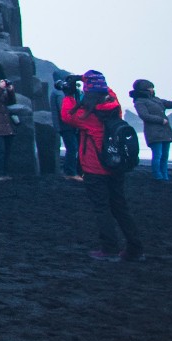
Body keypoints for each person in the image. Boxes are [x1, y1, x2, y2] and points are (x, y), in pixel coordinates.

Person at [57, 69, 143, 262]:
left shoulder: (86, 114)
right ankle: (135, 249)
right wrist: (90, 79)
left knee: (101, 208)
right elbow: (109, 92)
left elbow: (67, 116)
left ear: (87, 90)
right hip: (116, 165)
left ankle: (109, 248)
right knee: (120, 207)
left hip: (95, 168)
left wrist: (70, 93)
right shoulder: (114, 107)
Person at [130, 79, 172, 182]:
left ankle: (165, 176)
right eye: (150, 88)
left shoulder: (156, 99)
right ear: (145, 89)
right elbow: (144, 115)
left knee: (164, 155)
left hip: (165, 131)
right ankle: (157, 176)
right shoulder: (139, 101)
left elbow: (171, 104)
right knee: (158, 155)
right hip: (153, 132)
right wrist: (161, 120)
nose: (152, 89)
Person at [54, 73, 84, 180]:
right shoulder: (60, 93)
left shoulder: (59, 92)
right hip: (67, 125)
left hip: (67, 125)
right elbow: (66, 110)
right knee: (72, 148)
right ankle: (70, 173)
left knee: (73, 148)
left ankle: (71, 171)